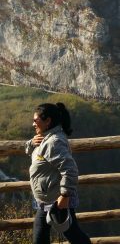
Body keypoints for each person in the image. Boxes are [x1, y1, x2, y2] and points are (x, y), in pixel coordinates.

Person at [26, 102, 91, 244]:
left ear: (48, 121)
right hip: (47, 199)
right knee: (45, 235)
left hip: (57, 201)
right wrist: (31, 143)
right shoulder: (45, 138)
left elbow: (70, 169)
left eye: (35, 120)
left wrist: (65, 195)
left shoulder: (53, 142)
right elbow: (35, 152)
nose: (33, 124)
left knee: (73, 235)